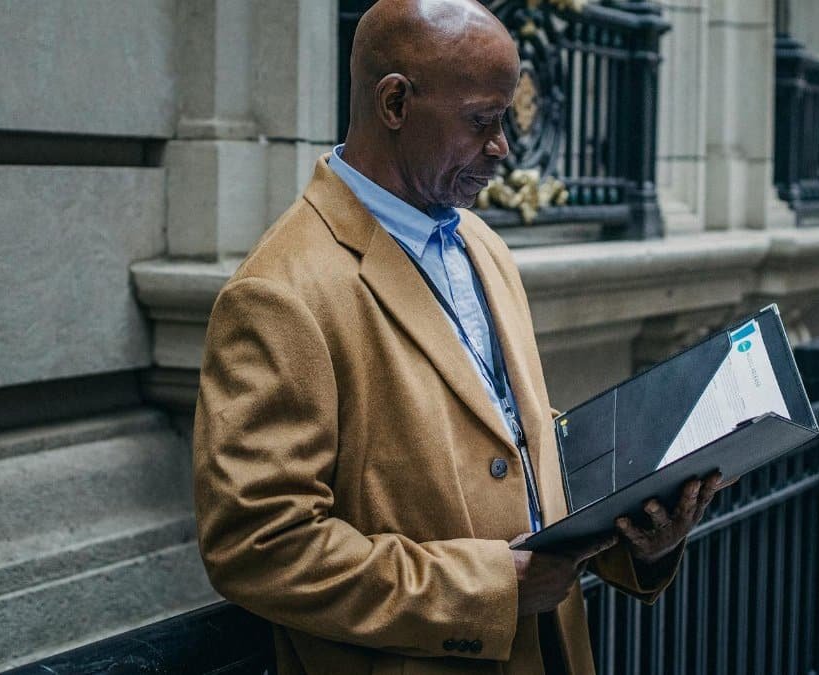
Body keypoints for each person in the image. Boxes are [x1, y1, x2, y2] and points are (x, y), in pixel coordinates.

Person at [192, 0, 725, 672]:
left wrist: (640, 535)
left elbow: (509, 441)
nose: (503, 146)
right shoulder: (279, 292)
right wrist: (487, 588)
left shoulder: (482, 244)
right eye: (483, 121)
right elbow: (258, 544)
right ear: (394, 104)